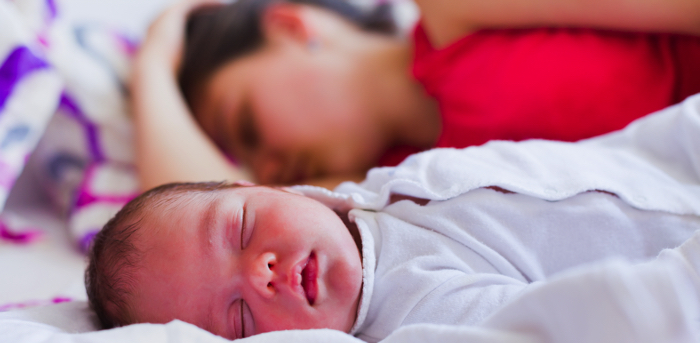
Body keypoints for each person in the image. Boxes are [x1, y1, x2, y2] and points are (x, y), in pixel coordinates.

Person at [86, 93, 700, 343]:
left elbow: (613, 156)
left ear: (268, 186)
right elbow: (605, 328)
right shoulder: (419, 315)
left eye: (243, 229)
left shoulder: (390, 189)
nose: (262, 272)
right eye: (241, 319)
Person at [132, 0, 700, 191]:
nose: (270, 166)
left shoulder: (459, 13)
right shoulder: (387, 187)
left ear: (291, 25)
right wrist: (152, 65)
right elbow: (204, 220)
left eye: (247, 128)